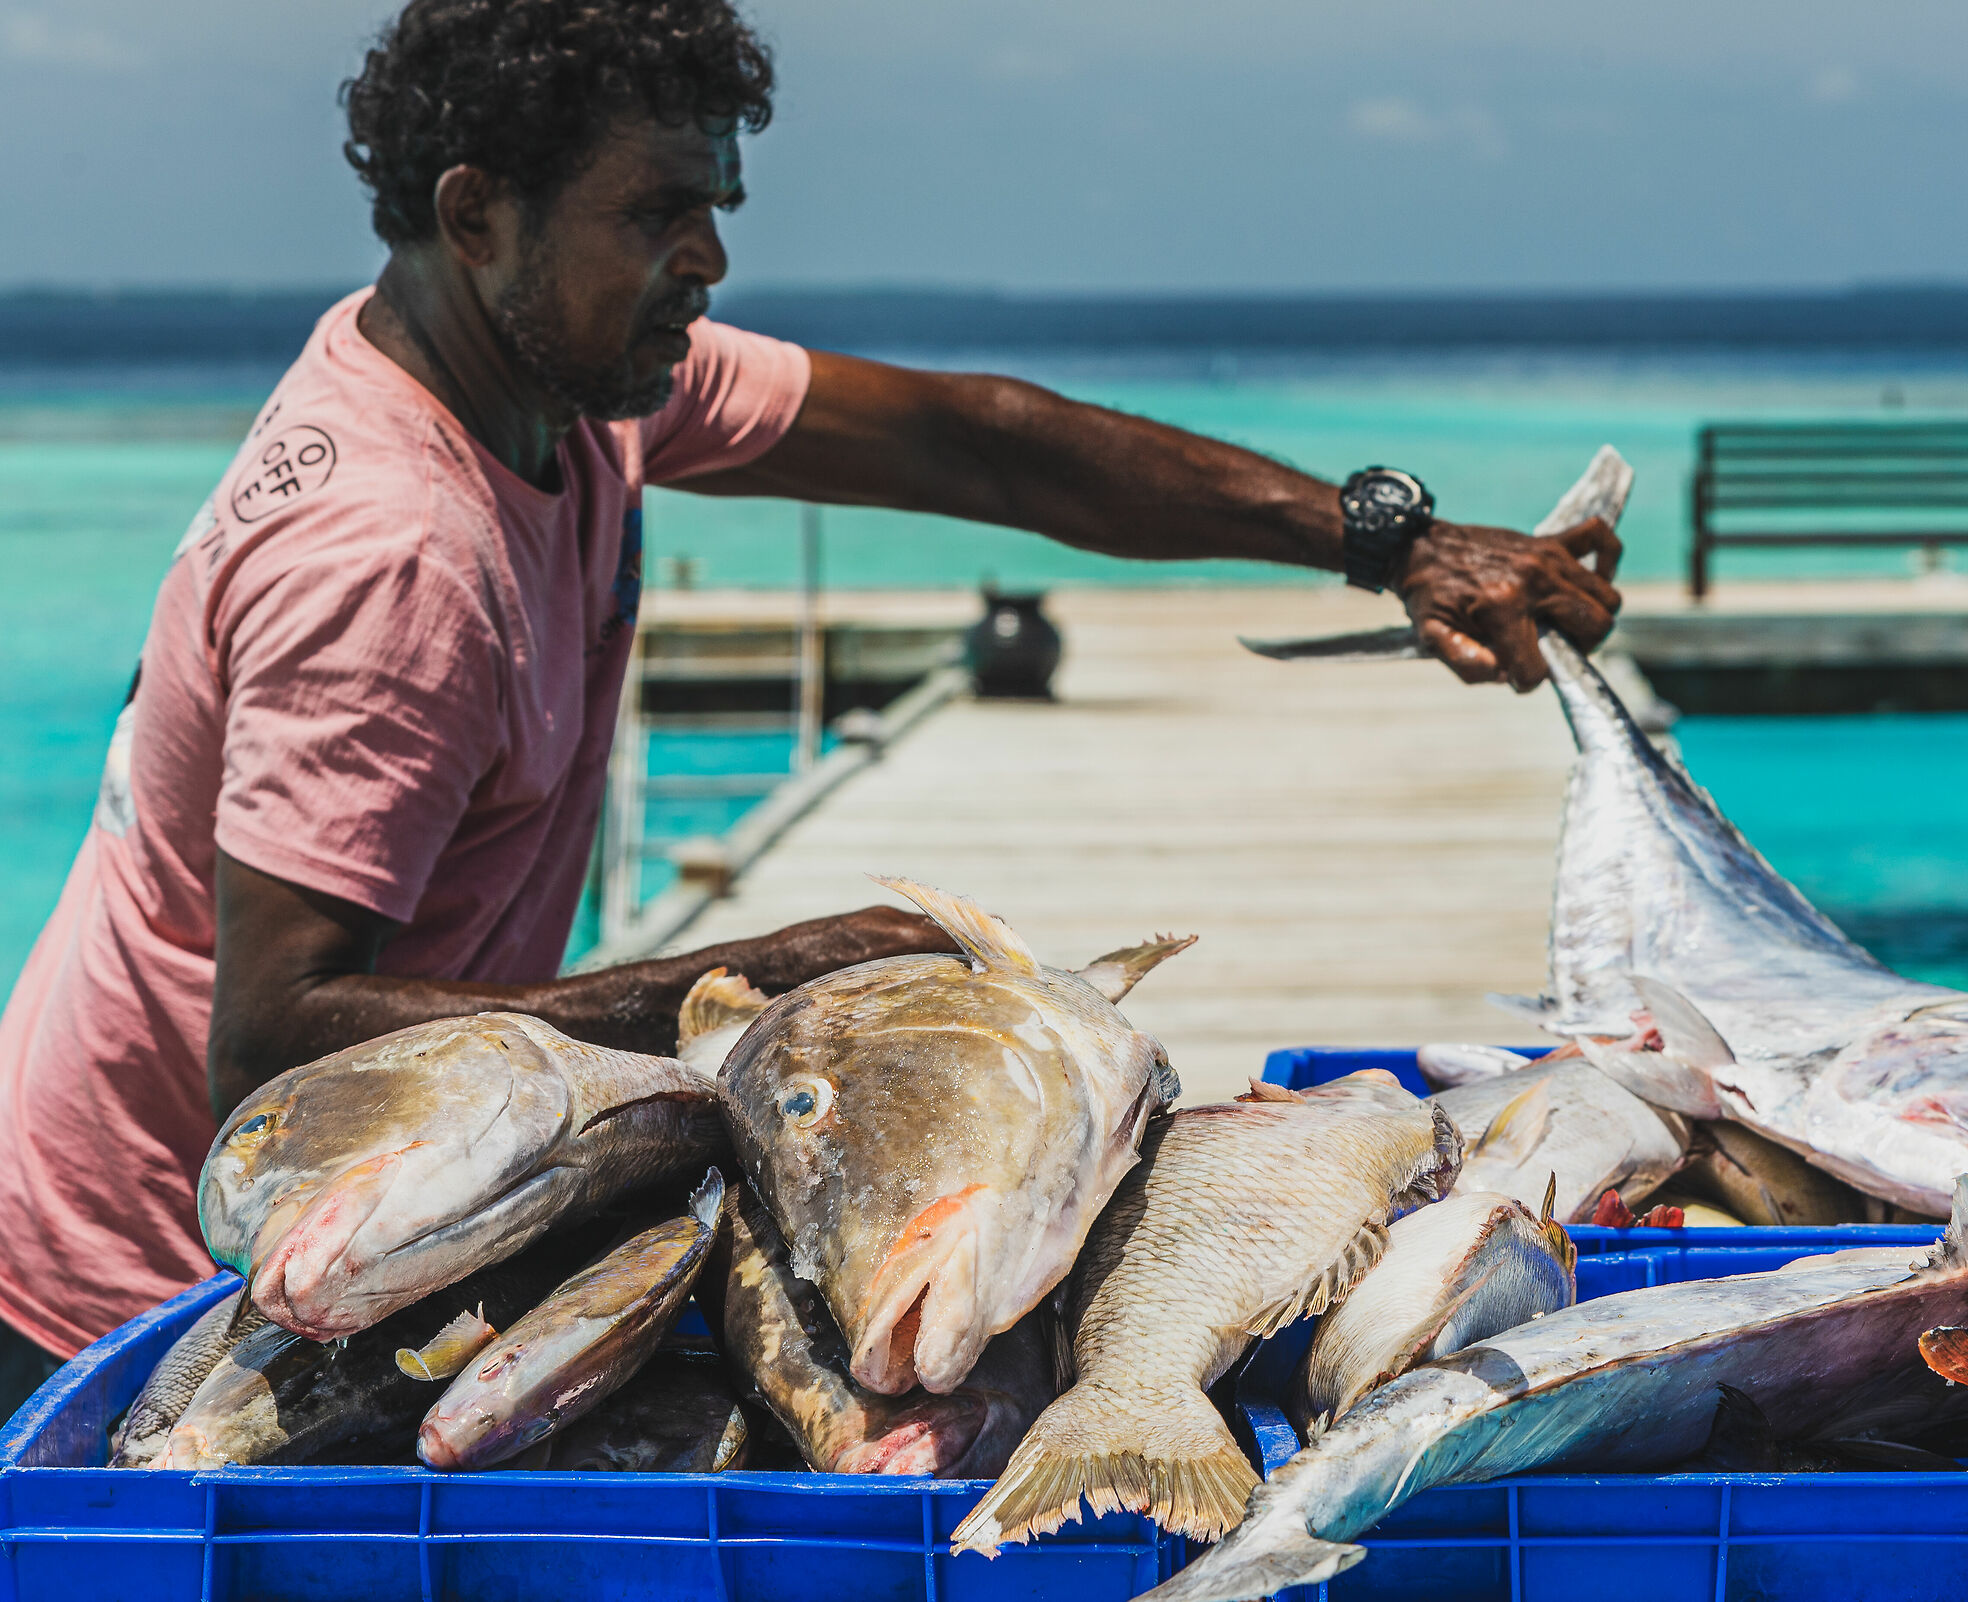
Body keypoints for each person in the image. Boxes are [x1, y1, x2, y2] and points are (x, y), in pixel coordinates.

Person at [0, 0, 1622, 1392]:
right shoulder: (397, 556)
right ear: (476, 214)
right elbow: (272, 1038)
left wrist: (1386, 540)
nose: (708, 260)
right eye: (657, 214)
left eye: (714, 206)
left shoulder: (564, 389)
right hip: (164, 1291)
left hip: (378, 1201)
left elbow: (973, 442)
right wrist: (756, 979)